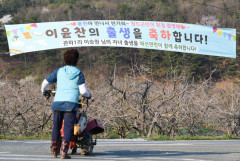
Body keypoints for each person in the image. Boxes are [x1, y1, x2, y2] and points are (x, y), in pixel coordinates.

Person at [41, 49, 91, 159]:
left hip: (58, 102)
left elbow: (45, 83)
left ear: (65, 59)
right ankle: (64, 152)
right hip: (71, 103)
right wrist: (89, 95)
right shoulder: (79, 73)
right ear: (77, 60)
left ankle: (54, 150)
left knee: (56, 126)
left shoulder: (59, 71)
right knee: (68, 127)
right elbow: (83, 91)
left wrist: (43, 91)